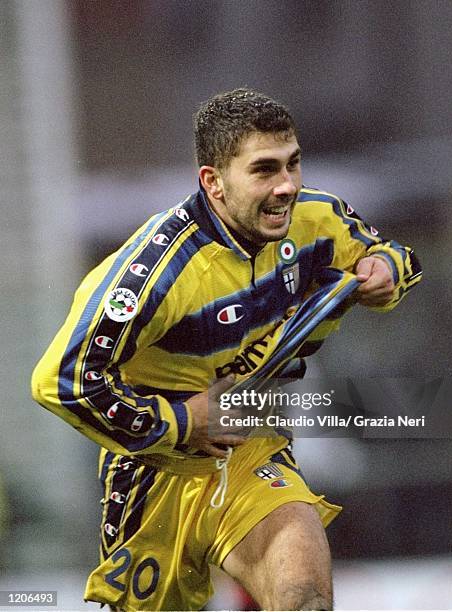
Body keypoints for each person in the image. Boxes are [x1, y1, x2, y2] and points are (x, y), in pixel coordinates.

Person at [31, 88, 422, 611]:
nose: (286, 186)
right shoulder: (155, 274)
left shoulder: (317, 219)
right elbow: (60, 380)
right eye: (264, 170)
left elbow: (390, 252)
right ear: (212, 182)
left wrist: (387, 272)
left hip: (248, 448)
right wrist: (182, 421)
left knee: (304, 596)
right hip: (154, 472)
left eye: (293, 164)